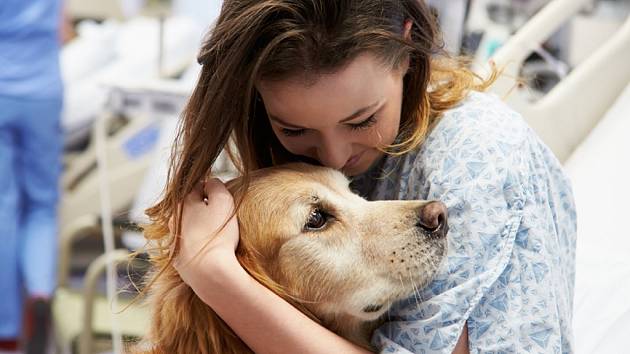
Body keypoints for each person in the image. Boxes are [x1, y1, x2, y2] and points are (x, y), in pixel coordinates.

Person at [146, 0, 577, 353]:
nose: (333, 158)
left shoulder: (477, 156)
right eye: (294, 129)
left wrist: (214, 274)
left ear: (408, 52)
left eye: (362, 120)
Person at [0, 0, 64, 353]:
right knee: (42, 204)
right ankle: (41, 292)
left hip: (1, 88)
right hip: (44, 88)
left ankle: (6, 329)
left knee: (3, 208)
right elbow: (63, 30)